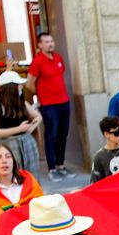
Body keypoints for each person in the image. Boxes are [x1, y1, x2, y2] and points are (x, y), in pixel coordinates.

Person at [29, 32, 72, 180]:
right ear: (40, 45)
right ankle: (52, 168)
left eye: (51, 41)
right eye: (46, 42)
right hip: (48, 105)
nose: (50, 44)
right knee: (51, 136)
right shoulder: (37, 61)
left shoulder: (58, 58)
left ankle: (61, 165)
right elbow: (30, 83)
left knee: (62, 135)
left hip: (64, 102)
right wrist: (40, 97)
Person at [0, 140, 44, 235]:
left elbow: (41, 206)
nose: (4, 161)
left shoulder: (28, 179)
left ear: (13, 161)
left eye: (8, 156)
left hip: (33, 231)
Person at [0, 72, 43, 178]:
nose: (21, 87)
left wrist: (30, 129)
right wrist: (19, 129)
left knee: (32, 176)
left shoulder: (22, 102)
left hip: (27, 142)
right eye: (18, 84)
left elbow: (38, 117)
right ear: (10, 87)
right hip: (7, 145)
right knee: (13, 176)